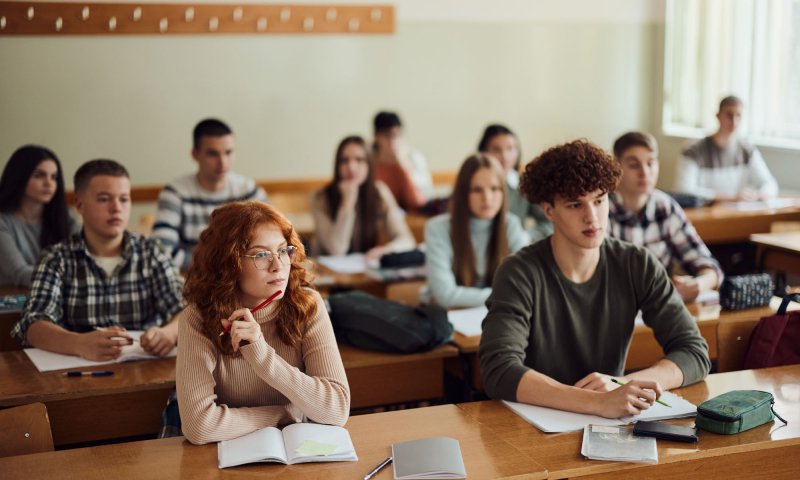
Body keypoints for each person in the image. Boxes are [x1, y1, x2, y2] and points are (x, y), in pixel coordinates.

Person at [479, 139, 710, 419]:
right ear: (549, 210)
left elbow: (694, 352)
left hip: (611, 420)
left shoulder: (638, 263)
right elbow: (499, 370)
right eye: (575, 205)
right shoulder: (518, 272)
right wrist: (595, 402)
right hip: (533, 422)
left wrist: (621, 385)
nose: (592, 217)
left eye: (599, 200)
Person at [176, 201, 350, 444]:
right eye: (261, 255)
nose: (278, 266)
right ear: (228, 263)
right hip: (227, 455)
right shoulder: (197, 318)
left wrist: (260, 354)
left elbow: (337, 410)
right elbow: (199, 427)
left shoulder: (307, 304)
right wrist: (280, 414)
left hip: (296, 449)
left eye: (283, 250)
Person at [11, 160, 184, 360]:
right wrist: (78, 343)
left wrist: (169, 333)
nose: (116, 208)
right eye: (104, 199)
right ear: (79, 204)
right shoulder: (56, 258)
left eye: (124, 199)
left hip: (144, 368)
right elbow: (33, 325)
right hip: (79, 373)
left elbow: (185, 311)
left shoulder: (151, 251)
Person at [608, 132, 723, 303]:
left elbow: (709, 266)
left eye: (650, 163)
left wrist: (699, 283)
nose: (644, 172)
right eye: (634, 165)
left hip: (658, 310)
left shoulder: (665, 207)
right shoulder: (601, 209)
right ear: (616, 166)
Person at [153, 118, 268, 270]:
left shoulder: (248, 191)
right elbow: (162, 252)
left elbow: (271, 244)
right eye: (213, 154)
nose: (223, 162)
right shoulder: (175, 193)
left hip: (242, 282)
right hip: (192, 282)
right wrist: (220, 265)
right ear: (195, 154)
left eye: (228, 152)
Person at [424, 154, 529, 309]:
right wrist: (508, 295)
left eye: (494, 188)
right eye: (477, 190)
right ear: (463, 193)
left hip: (496, 313)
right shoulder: (437, 228)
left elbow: (527, 284)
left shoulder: (510, 224)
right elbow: (445, 295)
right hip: (452, 314)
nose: (487, 198)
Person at [310, 135, 416, 259]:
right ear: (337, 166)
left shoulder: (379, 192)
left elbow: (407, 240)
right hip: (327, 273)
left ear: (369, 165)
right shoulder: (320, 197)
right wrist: (347, 202)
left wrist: (387, 250)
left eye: (359, 160)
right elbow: (337, 249)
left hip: (364, 270)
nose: (351, 167)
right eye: (344, 160)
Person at [0, 145, 76, 287]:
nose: (49, 183)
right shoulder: (3, 222)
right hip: (11, 302)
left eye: (54, 177)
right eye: (39, 175)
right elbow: (20, 273)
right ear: (19, 177)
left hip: (54, 299)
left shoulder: (66, 218)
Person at [676, 95, 778, 200]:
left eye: (738, 115)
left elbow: (770, 184)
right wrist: (731, 198)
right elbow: (684, 190)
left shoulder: (747, 150)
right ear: (718, 115)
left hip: (737, 214)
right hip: (706, 214)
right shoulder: (693, 150)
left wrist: (758, 195)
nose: (734, 122)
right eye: (729, 115)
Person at [478, 124, 552, 241]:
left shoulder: (524, 184)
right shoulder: (472, 184)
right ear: (484, 153)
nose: (504, 156)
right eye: (496, 149)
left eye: (510, 148)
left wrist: (525, 237)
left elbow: (550, 221)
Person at [372, 111, 435, 212]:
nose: (393, 141)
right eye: (387, 136)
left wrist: (403, 165)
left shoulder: (414, 159)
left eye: (397, 135)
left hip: (412, 217)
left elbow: (419, 202)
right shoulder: (367, 162)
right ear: (376, 137)